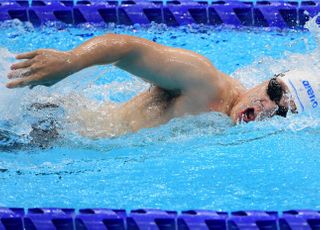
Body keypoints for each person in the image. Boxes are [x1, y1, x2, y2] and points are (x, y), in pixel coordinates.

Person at [5, 33, 318, 137]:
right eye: (274, 92)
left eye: (281, 113)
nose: (267, 107)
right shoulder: (203, 80)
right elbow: (127, 48)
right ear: (267, 80)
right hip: (49, 126)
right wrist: (69, 62)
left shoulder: (233, 124)